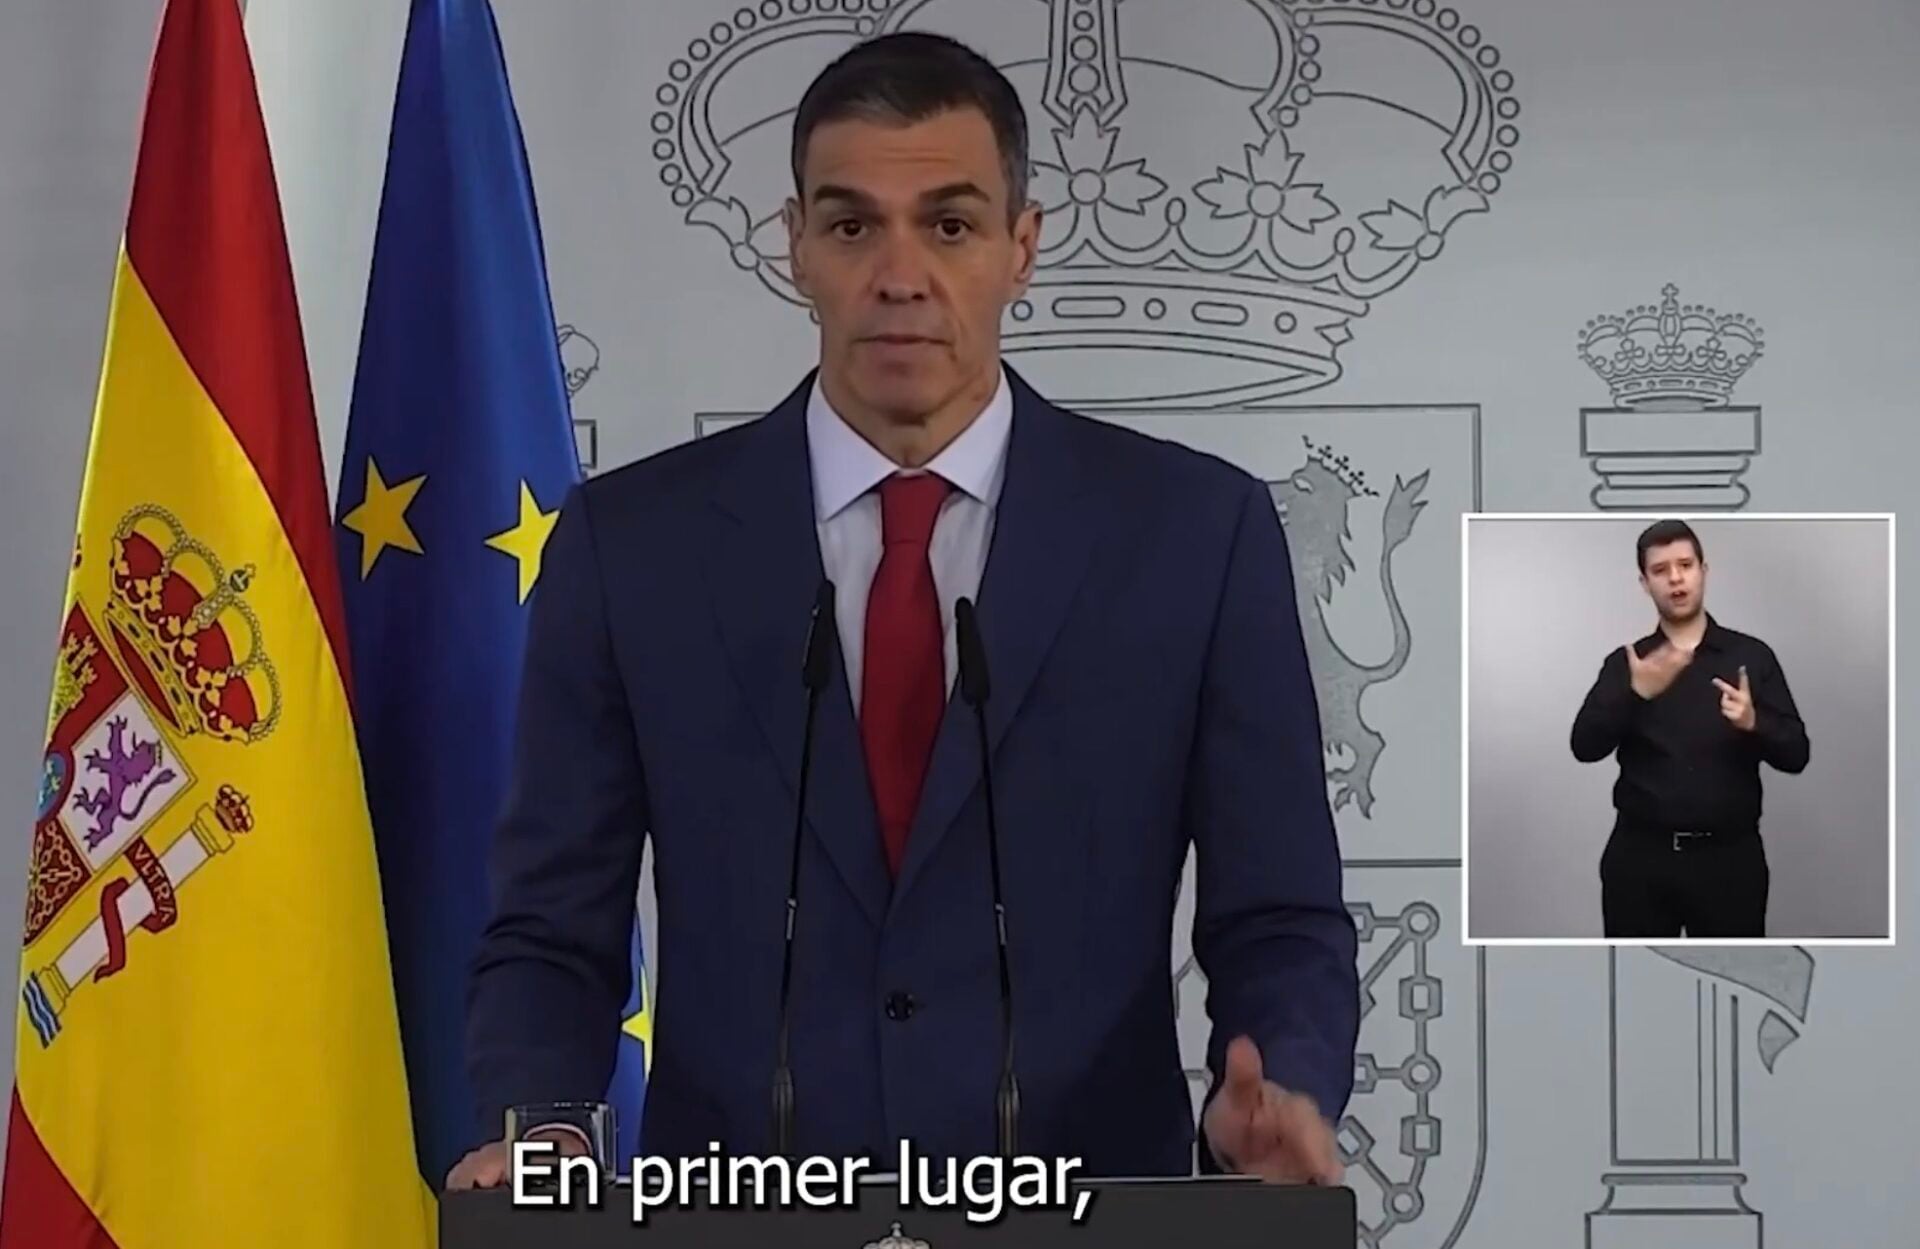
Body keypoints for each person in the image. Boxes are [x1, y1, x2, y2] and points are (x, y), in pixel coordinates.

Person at [448, 31, 1357, 1189]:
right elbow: (551, 933)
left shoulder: (1194, 538)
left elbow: (1279, 917)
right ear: (795, 246)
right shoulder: (631, 549)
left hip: (1086, 1211)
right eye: (851, 226)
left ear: (1022, 247)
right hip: (739, 1214)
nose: (899, 275)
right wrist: (549, 1132)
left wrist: (1277, 1091)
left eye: (951, 225)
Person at [1569, 519, 1809, 938]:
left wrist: (1754, 722)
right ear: (1645, 583)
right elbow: (1584, 746)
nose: (1675, 578)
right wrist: (1635, 693)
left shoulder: (1751, 656)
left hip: (1730, 862)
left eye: (1685, 565)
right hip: (1640, 861)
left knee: (1730, 971)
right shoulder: (1628, 664)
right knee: (1635, 975)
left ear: (1703, 570)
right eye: (1660, 570)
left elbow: (1797, 755)